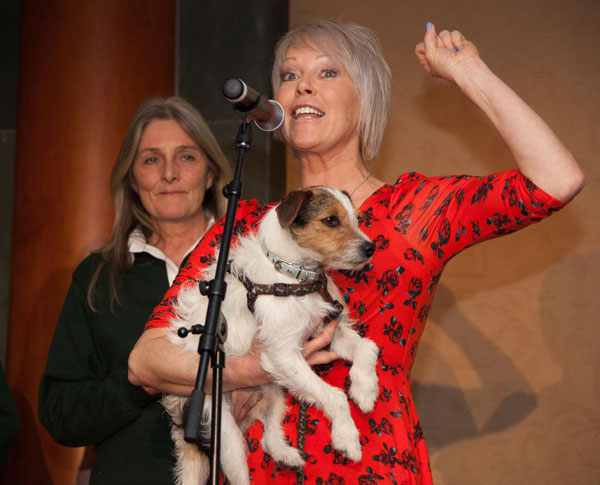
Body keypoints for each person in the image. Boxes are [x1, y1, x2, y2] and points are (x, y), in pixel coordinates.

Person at [128, 20, 584, 484]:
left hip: (372, 462)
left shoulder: (416, 211)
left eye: (327, 73)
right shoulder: (242, 228)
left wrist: (470, 72)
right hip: (260, 467)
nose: (302, 84)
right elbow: (145, 360)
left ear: (366, 99)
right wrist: (251, 368)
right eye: (289, 75)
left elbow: (556, 180)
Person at [38, 96, 232, 484]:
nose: (170, 174)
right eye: (151, 159)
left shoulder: (248, 261)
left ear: (211, 174)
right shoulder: (99, 276)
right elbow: (61, 414)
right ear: (132, 177)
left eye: (187, 157)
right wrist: (137, 381)